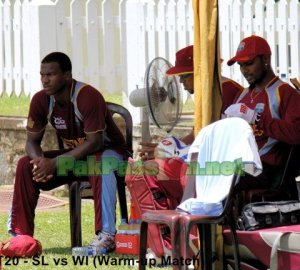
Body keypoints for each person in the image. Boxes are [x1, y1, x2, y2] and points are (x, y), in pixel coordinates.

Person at [125, 45, 243, 252]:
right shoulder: (216, 90)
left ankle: (168, 247)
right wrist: (165, 148)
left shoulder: (225, 91)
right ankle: (173, 242)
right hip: (203, 165)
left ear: (198, 73)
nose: (180, 82)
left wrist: (169, 151)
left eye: (184, 76)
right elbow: (196, 135)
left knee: (139, 172)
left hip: (213, 170)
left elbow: (207, 139)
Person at [7, 52, 129, 253]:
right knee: (24, 165)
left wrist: (54, 163)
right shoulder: (41, 100)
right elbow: (31, 142)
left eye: (51, 74)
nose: (45, 80)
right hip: (77, 161)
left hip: (112, 156)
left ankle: (106, 236)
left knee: (101, 161)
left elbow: (95, 142)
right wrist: (40, 161)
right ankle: (21, 236)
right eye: (42, 75)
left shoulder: (87, 96)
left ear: (67, 75)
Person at [225, 35, 300, 195]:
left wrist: (256, 118)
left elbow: (296, 134)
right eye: (241, 65)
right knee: (195, 168)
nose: (244, 70)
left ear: (266, 59)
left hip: (263, 166)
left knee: (216, 173)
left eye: (249, 64)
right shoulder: (243, 94)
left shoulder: (284, 92)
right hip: (240, 162)